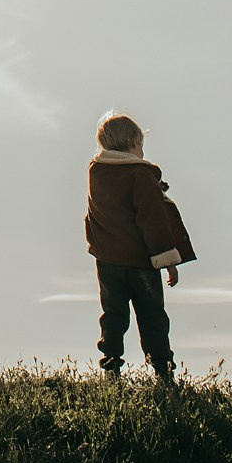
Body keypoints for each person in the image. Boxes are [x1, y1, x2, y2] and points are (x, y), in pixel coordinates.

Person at [84, 110, 193, 381]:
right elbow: (152, 220)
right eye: (141, 145)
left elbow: (93, 214)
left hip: (107, 261)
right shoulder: (139, 174)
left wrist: (96, 246)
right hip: (140, 262)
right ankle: (163, 372)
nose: (142, 151)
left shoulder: (97, 173)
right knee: (152, 316)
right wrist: (169, 262)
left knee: (113, 314)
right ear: (132, 144)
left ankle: (111, 368)